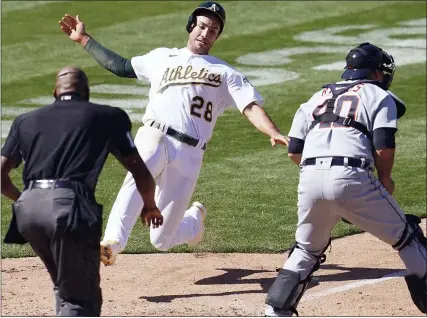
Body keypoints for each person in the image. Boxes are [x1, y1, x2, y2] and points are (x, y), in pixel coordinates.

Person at [59, 1, 289, 266]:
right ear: (191, 26)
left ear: (217, 36)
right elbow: (121, 66)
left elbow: (249, 106)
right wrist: (84, 39)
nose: (205, 33)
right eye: (201, 26)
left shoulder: (225, 73)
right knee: (139, 173)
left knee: (162, 240)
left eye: (213, 30)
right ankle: (111, 242)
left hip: (190, 153)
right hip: (156, 136)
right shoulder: (162, 57)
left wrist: (273, 131)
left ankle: (193, 220)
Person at [263, 42, 427, 316]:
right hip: (353, 176)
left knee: (306, 249)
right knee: (407, 237)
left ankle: (275, 313)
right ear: (376, 73)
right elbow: (384, 145)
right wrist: (384, 179)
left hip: (309, 177)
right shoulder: (378, 95)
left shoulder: (315, 97)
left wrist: (325, 180)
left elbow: (294, 151)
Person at [1, 67, 163, 316]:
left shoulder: (25, 120)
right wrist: (150, 206)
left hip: (28, 211)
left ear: (55, 92)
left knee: (65, 285)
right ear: (86, 93)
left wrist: (25, 199)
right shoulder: (108, 116)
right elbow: (139, 170)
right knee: (81, 299)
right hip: (69, 209)